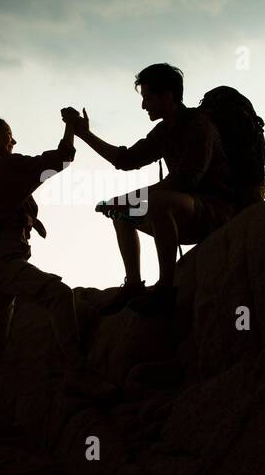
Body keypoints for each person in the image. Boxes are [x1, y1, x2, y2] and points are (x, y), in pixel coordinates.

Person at [0, 114, 114, 434]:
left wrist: (32, 221)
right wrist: (72, 129)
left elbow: (5, 205)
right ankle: (78, 375)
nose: (13, 142)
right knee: (58, 295)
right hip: (5, 264)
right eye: (8, 135)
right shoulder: (6, 166)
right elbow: (58, 162)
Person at [63, 63, 236, 317]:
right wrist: (85, 135)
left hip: (214, 212)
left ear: (167, 96)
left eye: (147, 97)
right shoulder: (164, 131)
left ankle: (166, 290)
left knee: (156, 202)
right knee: (120, 211)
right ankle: (133, 284)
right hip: (185, 210)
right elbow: (125, 160)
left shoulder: (200, 126)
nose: (144, 105)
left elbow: (186, 180)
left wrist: (140, 198)